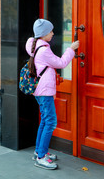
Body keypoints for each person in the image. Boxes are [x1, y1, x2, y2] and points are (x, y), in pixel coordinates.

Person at [25, 19, 79, 170]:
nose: (53, 33)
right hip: (44, 91)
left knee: (45, 121)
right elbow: (61, 63)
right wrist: (71, 49)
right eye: (50, 31)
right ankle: (41, 157)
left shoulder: (35, 46)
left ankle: (38, 152)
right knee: (50, 122)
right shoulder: (43, 50)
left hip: (40, 90)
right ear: (43, 34)